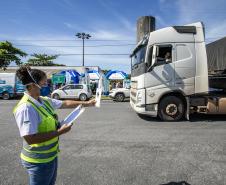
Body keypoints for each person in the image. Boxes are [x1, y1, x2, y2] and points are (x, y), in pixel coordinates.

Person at [13, 66, 96, 185]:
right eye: (43, 82)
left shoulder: (43, 100)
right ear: (31, 85)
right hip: (37, 160)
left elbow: (65, 103)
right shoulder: (26, 108)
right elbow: (30, 138)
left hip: (50, 157)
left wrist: (87, 103)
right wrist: (60, 132)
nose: (47, 85)